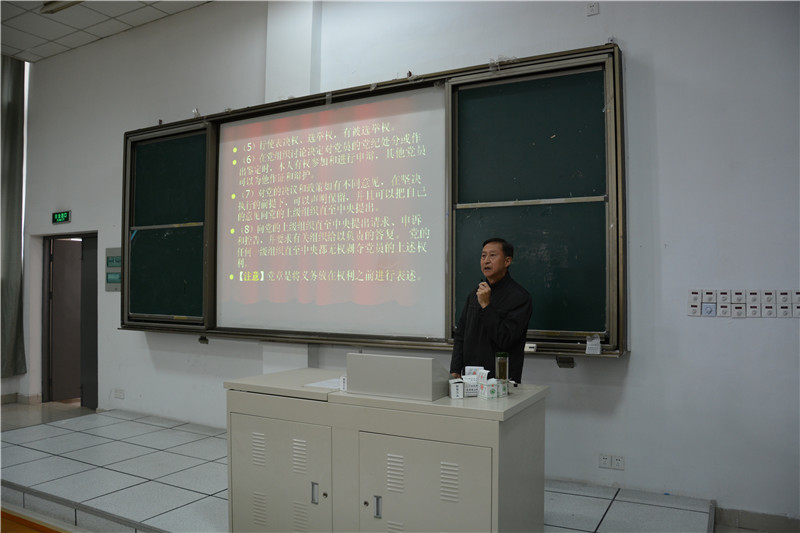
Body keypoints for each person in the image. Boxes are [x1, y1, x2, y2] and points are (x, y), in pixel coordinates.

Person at [450, 237, 532, 383]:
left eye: (492, 255)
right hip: (471, 378)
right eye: (483, 256)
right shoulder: (475, 294)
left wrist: (486, 306)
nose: (486, 261)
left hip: (501, 380)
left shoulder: (520, 297)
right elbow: (460, 335)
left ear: (507, 261)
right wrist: (456, 368)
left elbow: (505, 339)